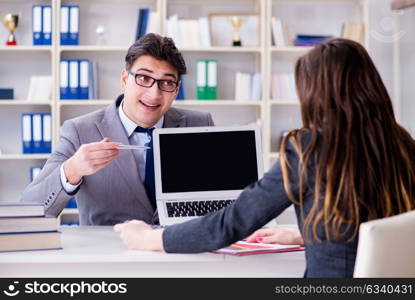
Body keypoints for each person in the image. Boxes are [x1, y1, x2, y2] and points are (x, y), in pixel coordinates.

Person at [113, 38, 415, 277]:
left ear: (317, 94)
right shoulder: (403, 143)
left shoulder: (307, 149)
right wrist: (307, 235)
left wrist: (152, 239)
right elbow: (377, 228)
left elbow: (232, 222)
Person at [21, 33, 214, 225]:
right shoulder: (80, 131)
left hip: (182, 248)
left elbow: (229, 201)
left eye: (166, 83)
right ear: (124, 79)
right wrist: (72, 170)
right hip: (112, 252)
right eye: (144, 78)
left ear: (177, 89)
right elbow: (30, 211)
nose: (154, 94)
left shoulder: (199, 124)